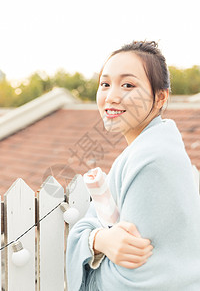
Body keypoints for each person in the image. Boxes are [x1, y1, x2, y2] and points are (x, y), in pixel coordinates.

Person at [66, 41, 200, 291]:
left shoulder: (152, 160)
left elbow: (135, 277)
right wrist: (100, 239)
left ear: (161, 97)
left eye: (128, 85)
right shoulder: (151, 148)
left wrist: (94, 236)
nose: (112, 96)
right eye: (105, 84)